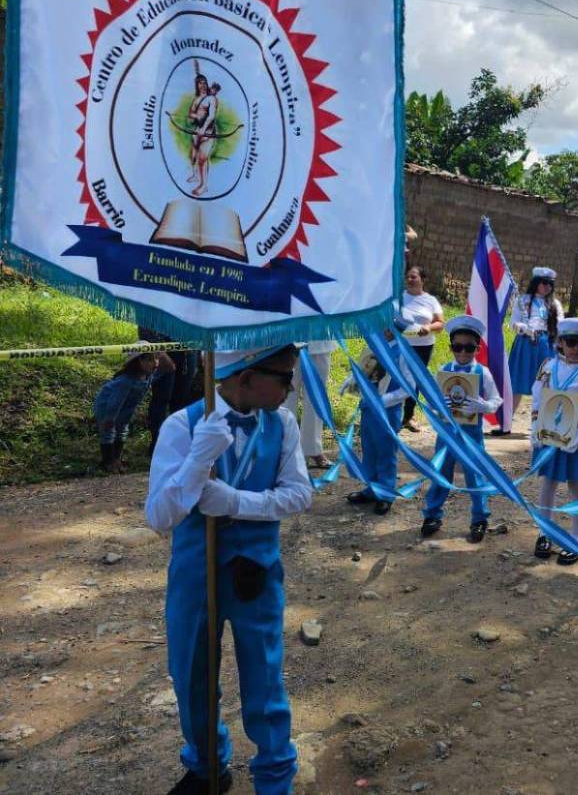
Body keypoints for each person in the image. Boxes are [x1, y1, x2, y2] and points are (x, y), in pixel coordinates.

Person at [146, 344, 311, 795]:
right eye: (284, 377)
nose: (290, 387)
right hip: (195, 573)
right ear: (247, 377)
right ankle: (207, 768)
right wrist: (198, 460)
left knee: (265, 677)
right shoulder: (182, 425)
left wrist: (237, 501)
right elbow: (158, 516)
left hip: (256, 571)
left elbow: (300, 494)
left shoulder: (282, 423)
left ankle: (275, 778)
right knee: (192, 674)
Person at [420, 316, 502, 542]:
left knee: (474, 475)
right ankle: (432, 515)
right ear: (451, 347)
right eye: (458, 347)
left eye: (469, 347)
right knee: (440, 473)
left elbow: (496, 399)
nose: (463, 352)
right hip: (446, 435)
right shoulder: (443, 371)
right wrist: (437, 406)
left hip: (471, 435)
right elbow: (430, 401)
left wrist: (484, 406)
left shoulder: (483, 372)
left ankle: (479, 518)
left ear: (477, 348)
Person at [530, 318, 578, 565]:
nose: (576, 349)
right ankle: (544, 532)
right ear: (560, 342)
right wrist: (535, 427)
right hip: (549, 435)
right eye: (571, 342)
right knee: (548, 484)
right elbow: (537, 397)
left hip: (574, 440)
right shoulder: (548, 367)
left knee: (576, 486)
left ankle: (577, 538)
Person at [344, 331, 407, 516]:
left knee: (386, 450)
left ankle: (385, 494)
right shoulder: (373, 348)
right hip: (368, 408)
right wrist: (351, 380)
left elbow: (408, 387)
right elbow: (365, 371)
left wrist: (383, 400)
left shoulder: (403, 353)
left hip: (388, 411)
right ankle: (372, 489)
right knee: (369, 448)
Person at [94, 345, 171, 472]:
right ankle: (107, 462)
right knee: (109, 432)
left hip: (125, 409)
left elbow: (167, 369)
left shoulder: (148, 376)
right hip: (107, 408)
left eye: (156, 358)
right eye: (150, 359)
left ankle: (116, 459)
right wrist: (109, 419)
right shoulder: (125, 381)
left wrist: (166, 359)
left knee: (122, 430)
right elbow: (115, 402)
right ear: (139, 361)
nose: (155, 362)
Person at [510, 267, 562, 418]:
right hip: (525, 344)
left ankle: (544, 421)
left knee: (547, 383)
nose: (547, 286)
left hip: (547, 345)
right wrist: (523, 328)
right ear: (536, 282)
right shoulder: (523, 300)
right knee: (518, 381)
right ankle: (507, 421)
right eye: (544, 282)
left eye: (550, 283)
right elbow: (513, 323)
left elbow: (560, 325)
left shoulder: (555, 304)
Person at [398, 266, 445, 433]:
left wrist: (429, 327)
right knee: (397, 377)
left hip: (423, 346)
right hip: (401, 344)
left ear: (422, 280)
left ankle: (408, 416)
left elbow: (440, 323)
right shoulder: (399, 297)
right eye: (408, 277)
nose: (410, 280)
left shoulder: (430, 300)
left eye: (414, 277)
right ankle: (392, 415)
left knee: (416, 379)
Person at [139, 326, 198, 454]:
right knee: (162, 398)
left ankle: (180, 442)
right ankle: (159, 445)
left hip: (189, 350)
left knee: (183, 399)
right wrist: (158, 352)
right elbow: (147, 323)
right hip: (162, 349)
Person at [283, 339, 336, 469]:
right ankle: (284, 448)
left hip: (319, 338)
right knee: (286, 395)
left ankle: (312, 448)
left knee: (316, 395)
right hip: (289, 339)